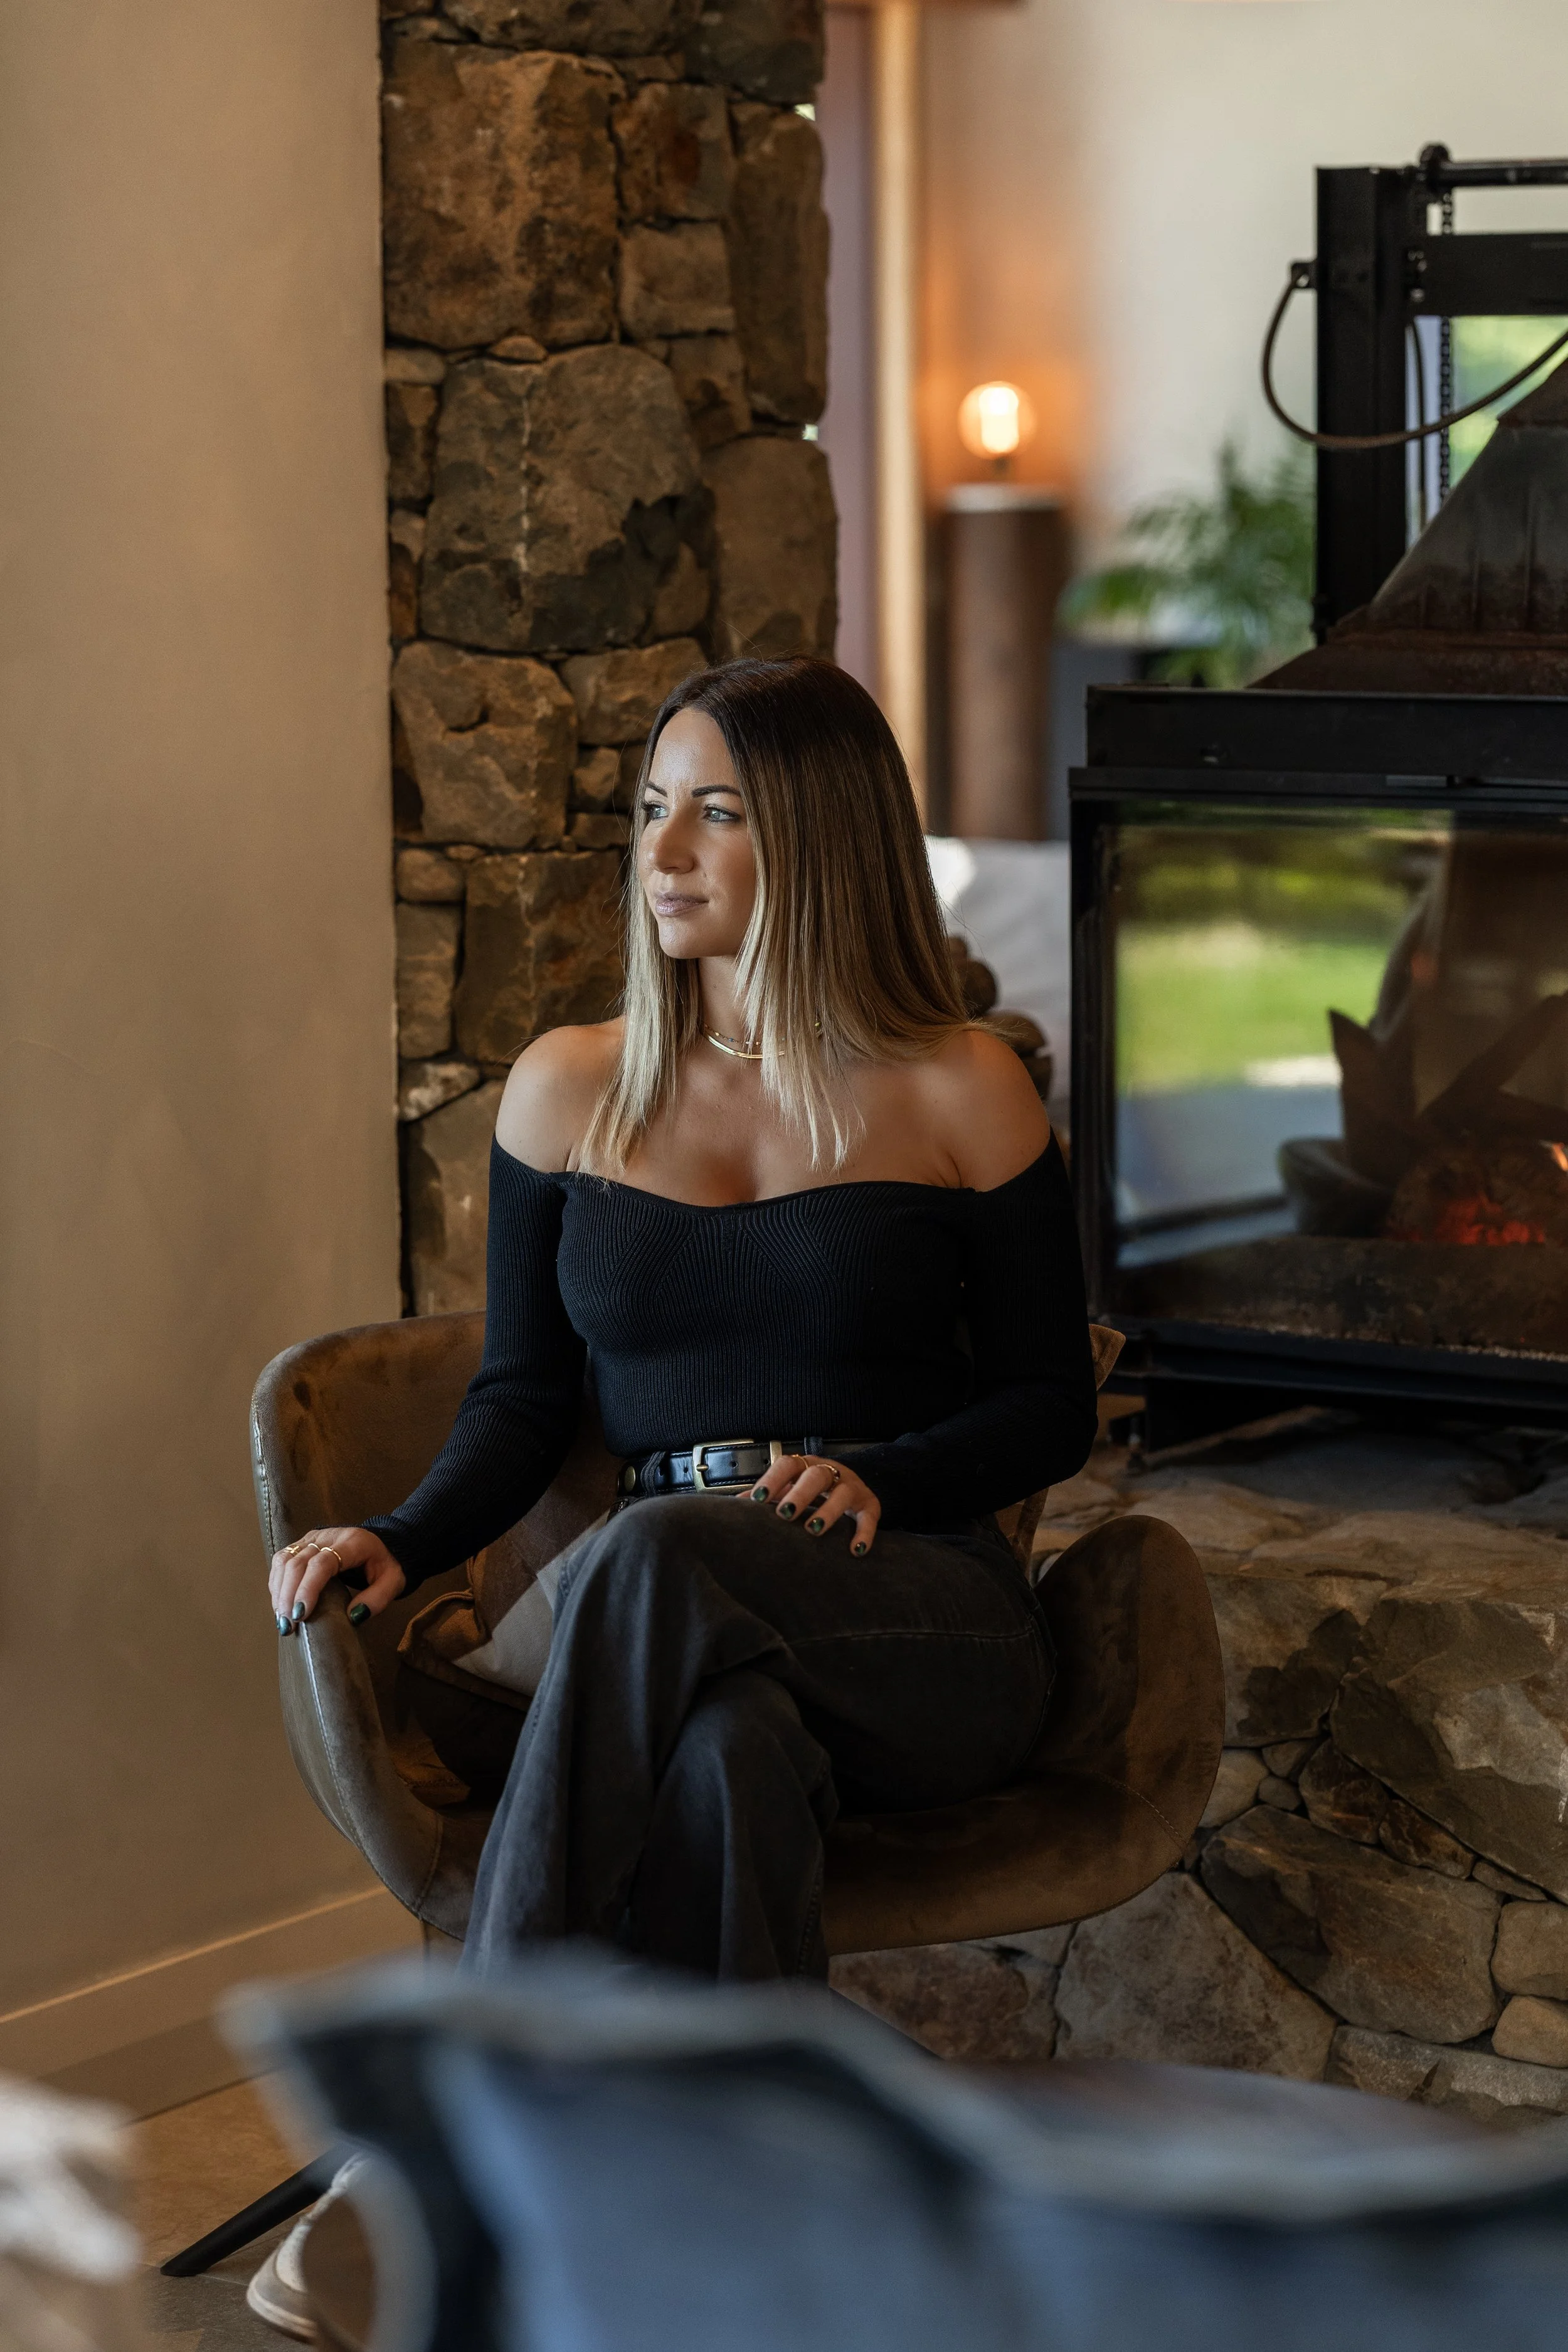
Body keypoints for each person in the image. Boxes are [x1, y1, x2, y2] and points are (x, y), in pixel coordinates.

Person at [267, 656, 1096, 1983]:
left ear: (822, 836)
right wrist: (402, 1536)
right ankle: (734, 2155)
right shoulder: (565, 1089)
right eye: (653, 806)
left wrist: (882, 1475)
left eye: (716, 811)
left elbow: (1051, 1401)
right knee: (727, 1758)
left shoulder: (961, 1088)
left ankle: (496, 2046)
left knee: (652, 1556)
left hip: (912, 1613)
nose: (659, 850)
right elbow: (525, 1398)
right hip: (671, 1628)